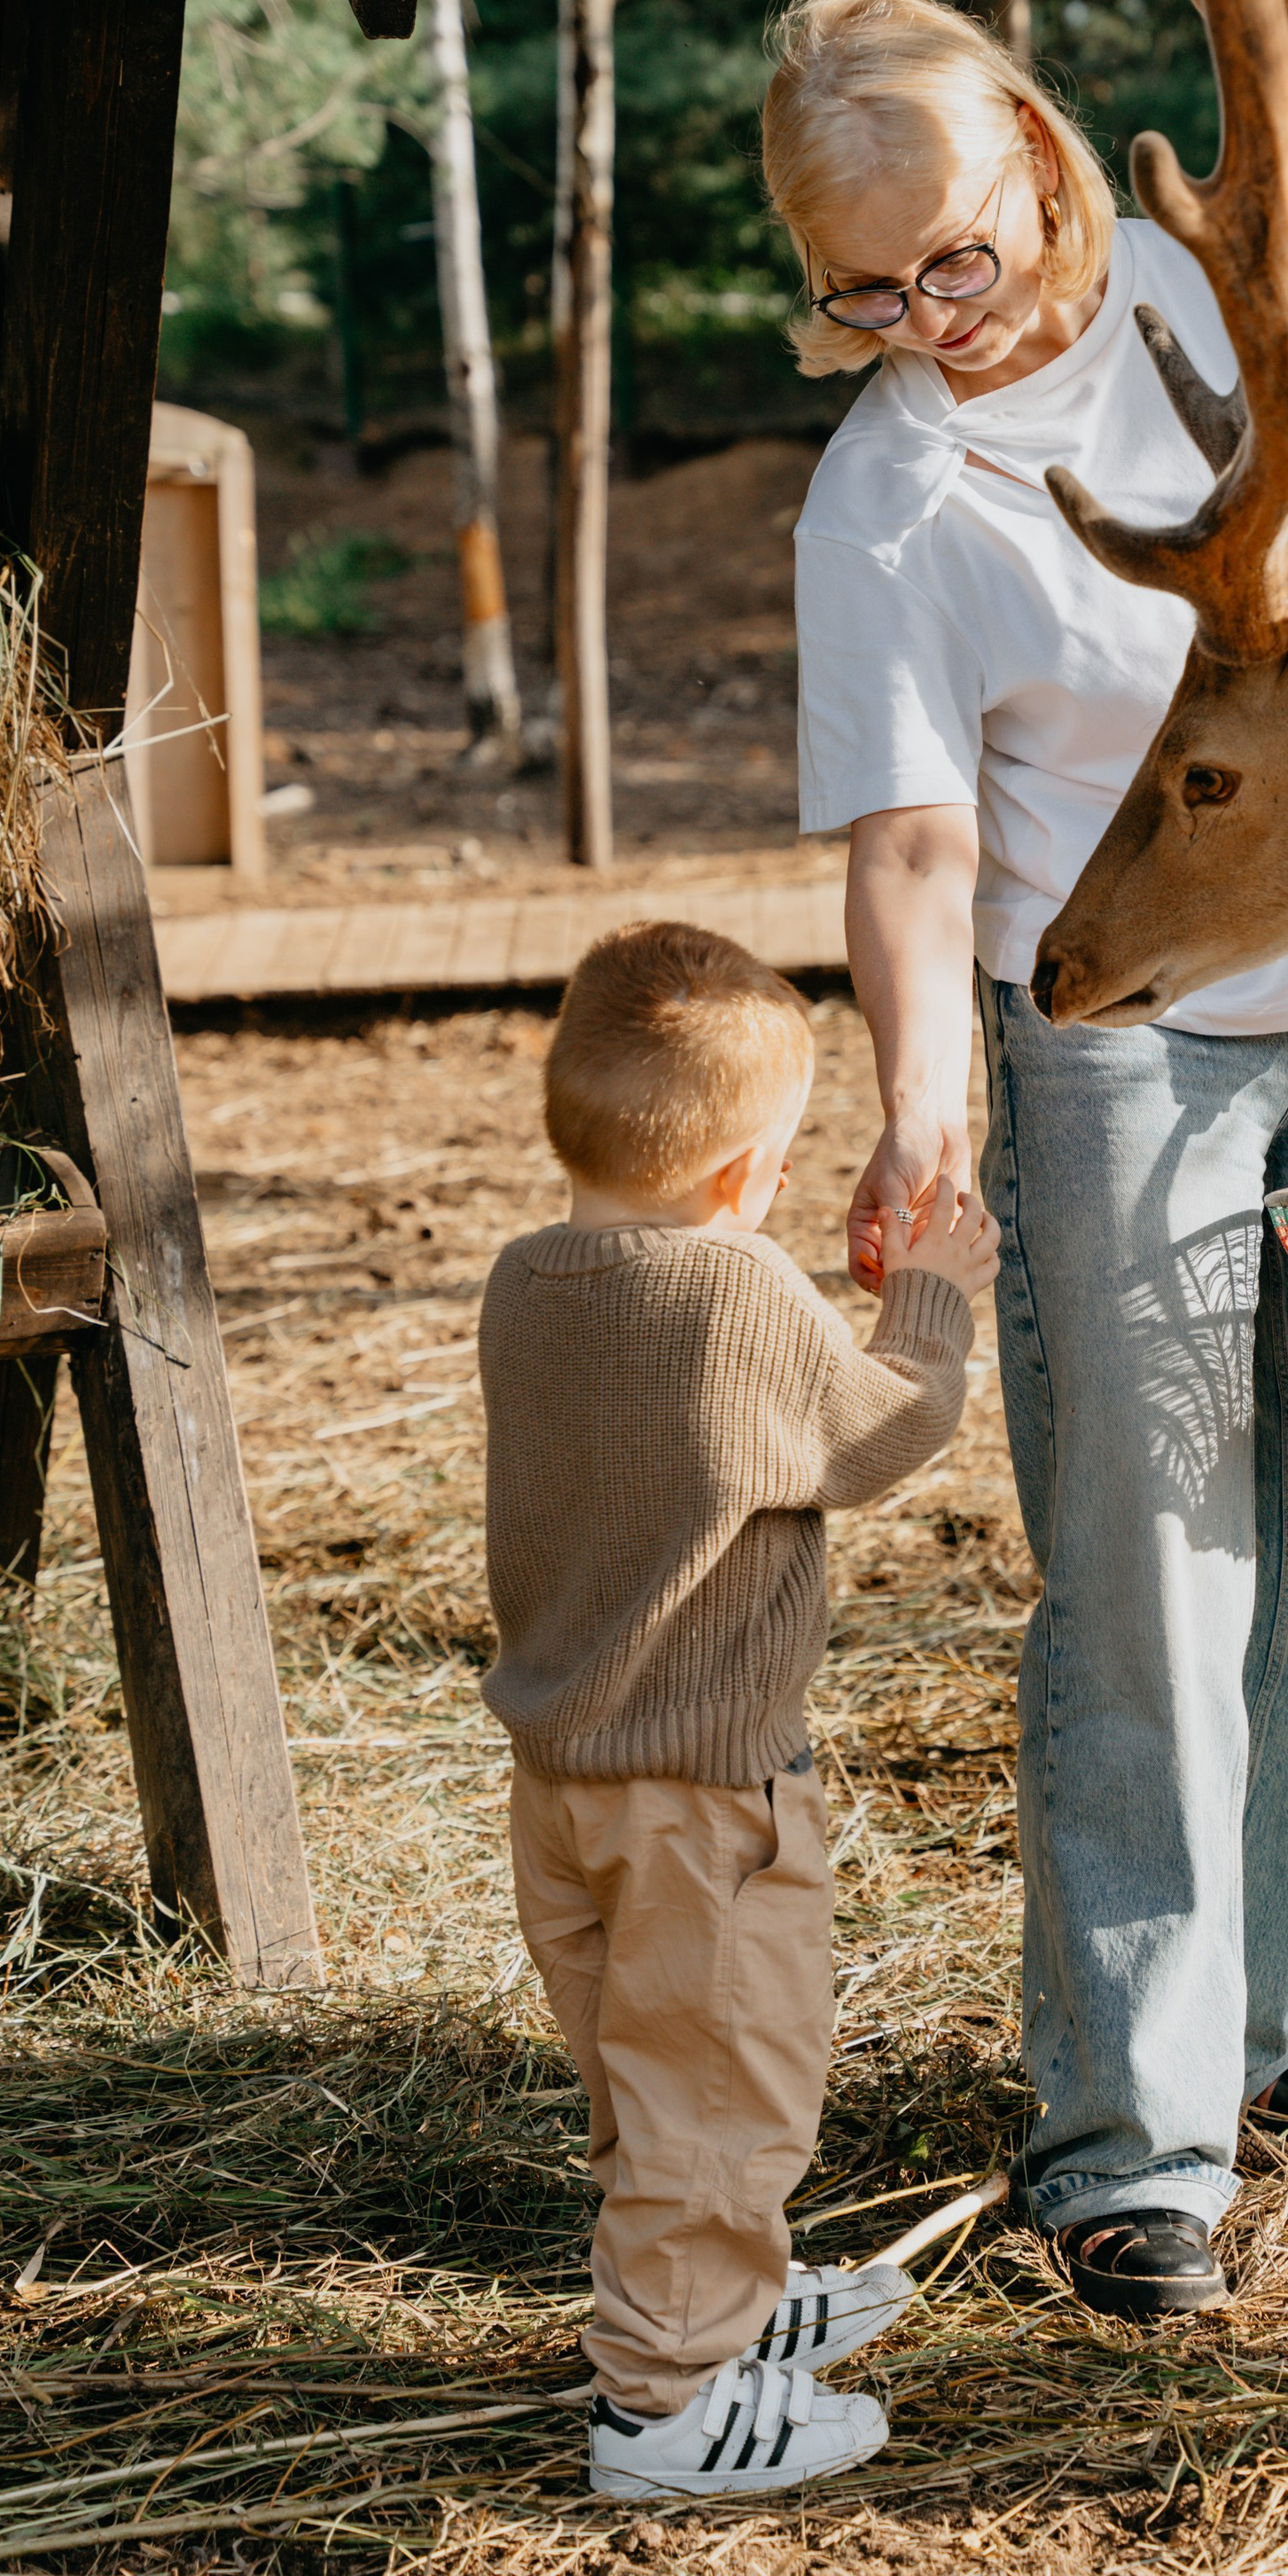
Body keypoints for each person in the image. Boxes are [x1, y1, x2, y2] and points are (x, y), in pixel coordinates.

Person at [764, 0, 1288, 2325]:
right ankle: (1127, 2139)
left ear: (1053, 177)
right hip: (1120, 1049)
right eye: (857, 291)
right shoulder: (887, 496)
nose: (913, 327)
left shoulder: (1214, 297)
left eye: (947, 264)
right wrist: (922, 1107)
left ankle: (1260, 2020)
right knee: (1158, 1560)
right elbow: (906, 847)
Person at [477, 918, 999, 2495]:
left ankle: (720, 2300)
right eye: (779, 1159)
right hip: (710, 1798)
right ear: (738, 1175)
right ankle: (664, 2409)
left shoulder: (522, 1284)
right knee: (725, 2091)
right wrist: (931, 1296)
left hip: (563, 1786)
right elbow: (875, 1432)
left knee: (648, 2086)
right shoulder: (736, 1290)